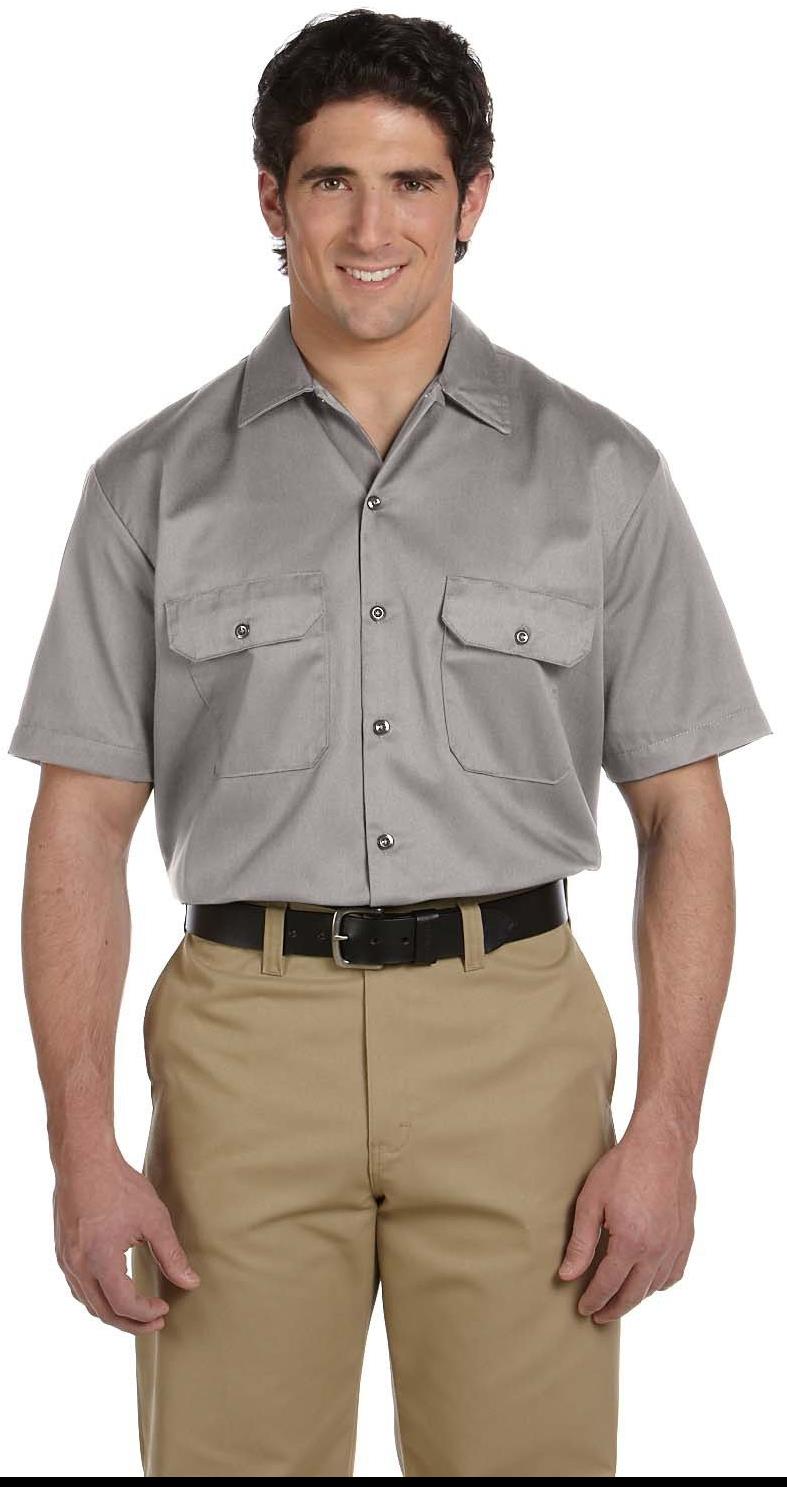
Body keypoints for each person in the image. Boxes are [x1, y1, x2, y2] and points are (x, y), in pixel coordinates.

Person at [7, 9, 773, 1479]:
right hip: (241, 1053)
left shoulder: (603, 475)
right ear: (270, 197)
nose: (373, 228)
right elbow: (80, 826)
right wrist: (82, 1149)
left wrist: (669, 1130)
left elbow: (687, 814)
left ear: (473, 199)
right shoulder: (147, 487)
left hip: (518, 1048)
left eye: (413, 182)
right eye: (332, 182)